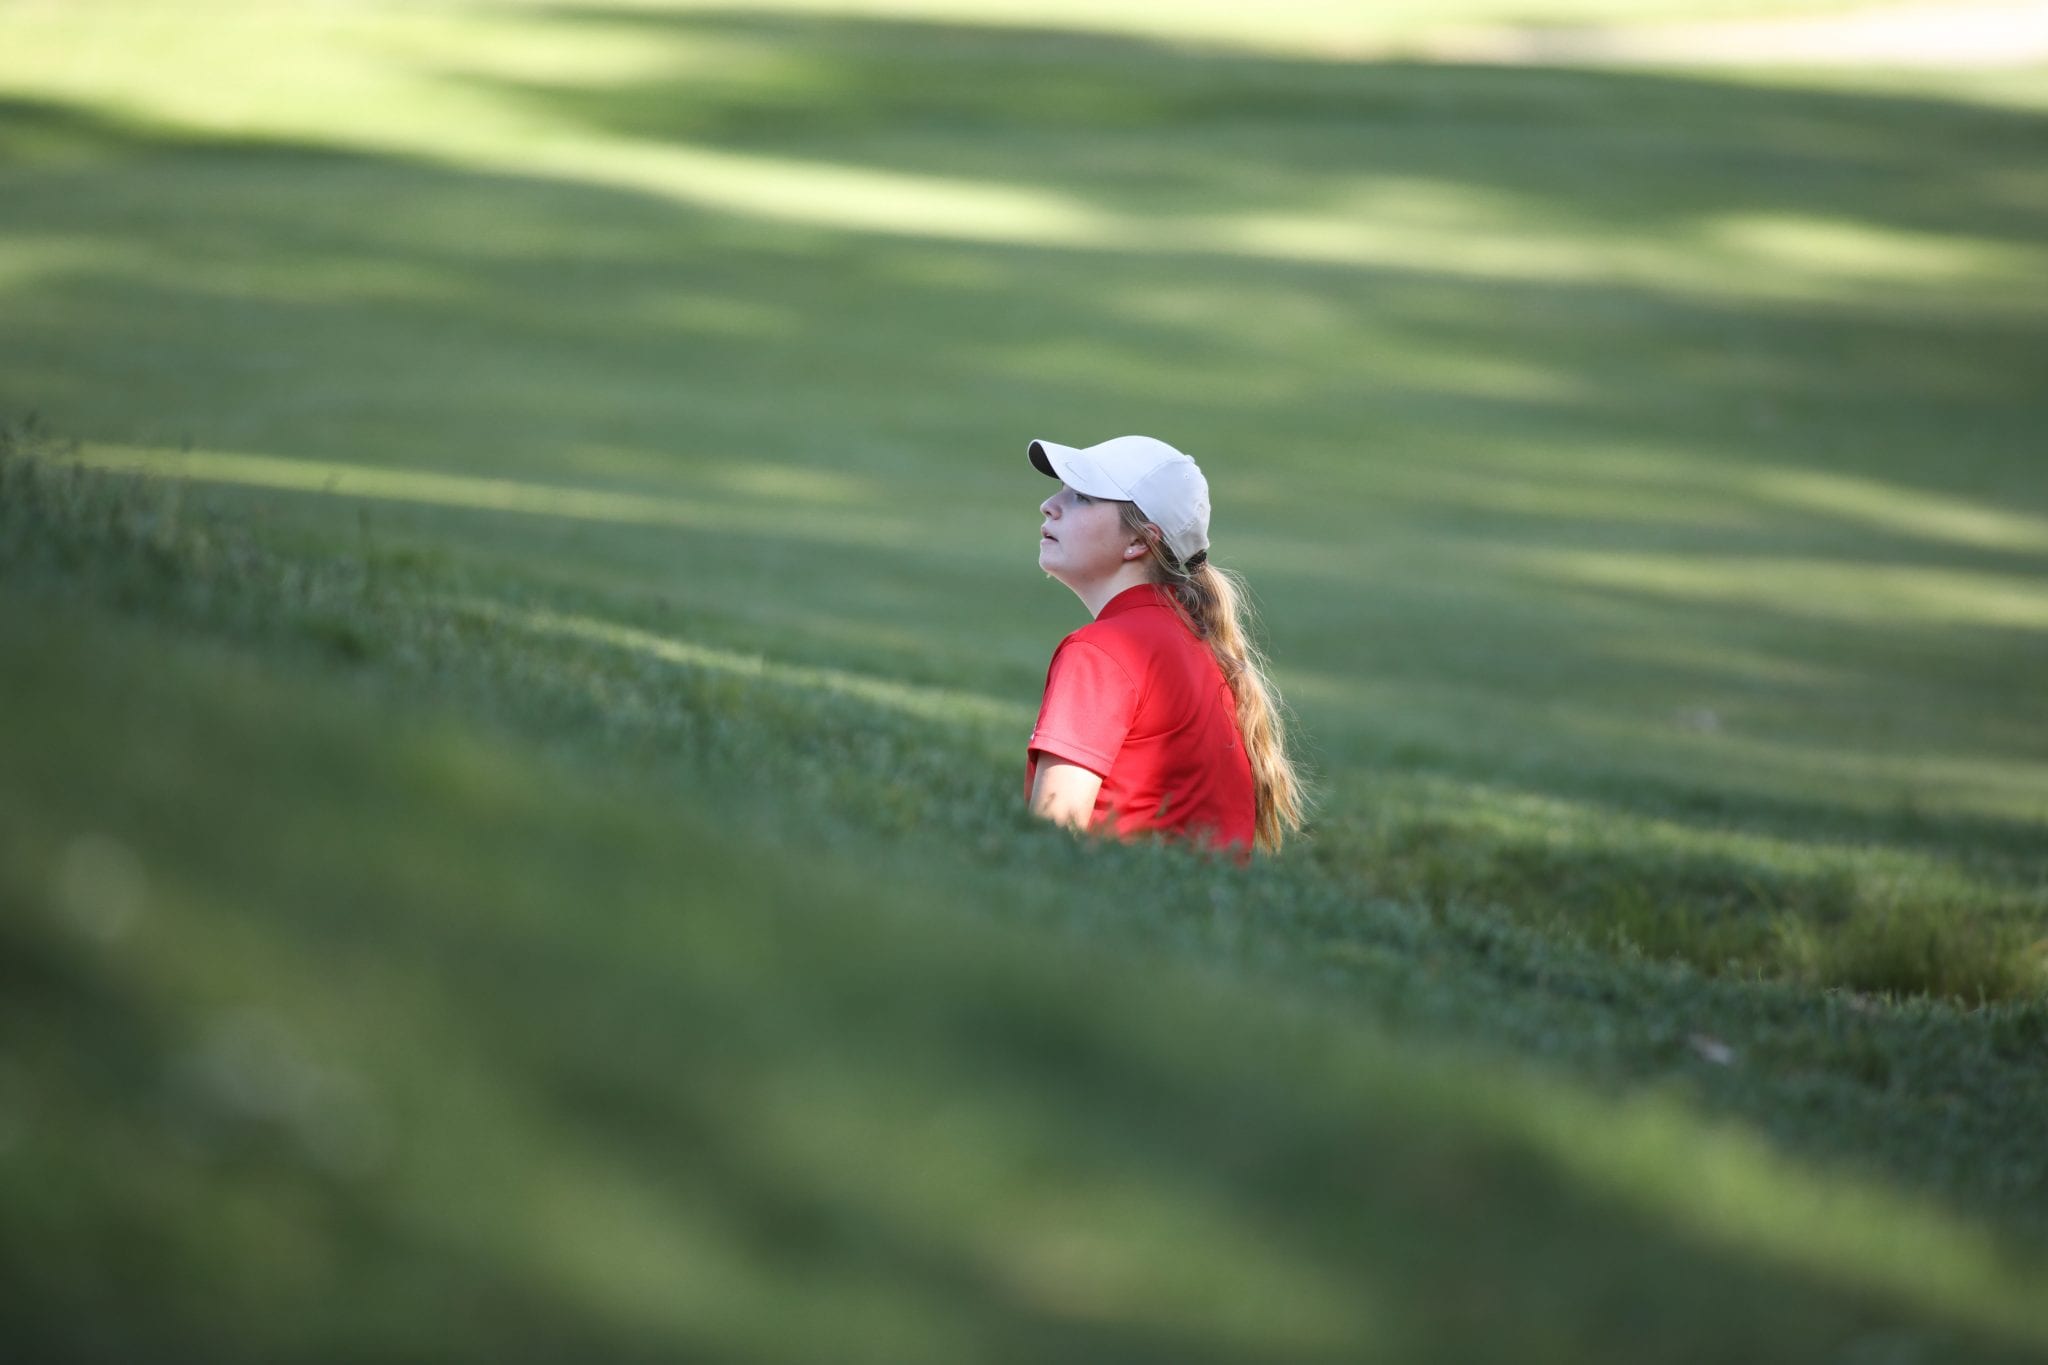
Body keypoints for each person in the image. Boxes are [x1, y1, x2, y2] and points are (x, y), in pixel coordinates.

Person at [1025, 434, 1307, 858]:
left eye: (1082, 496)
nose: (1051, 505)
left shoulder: (1101, 651)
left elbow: (1050, 836)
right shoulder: (1201, 647)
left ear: (1140, 542)